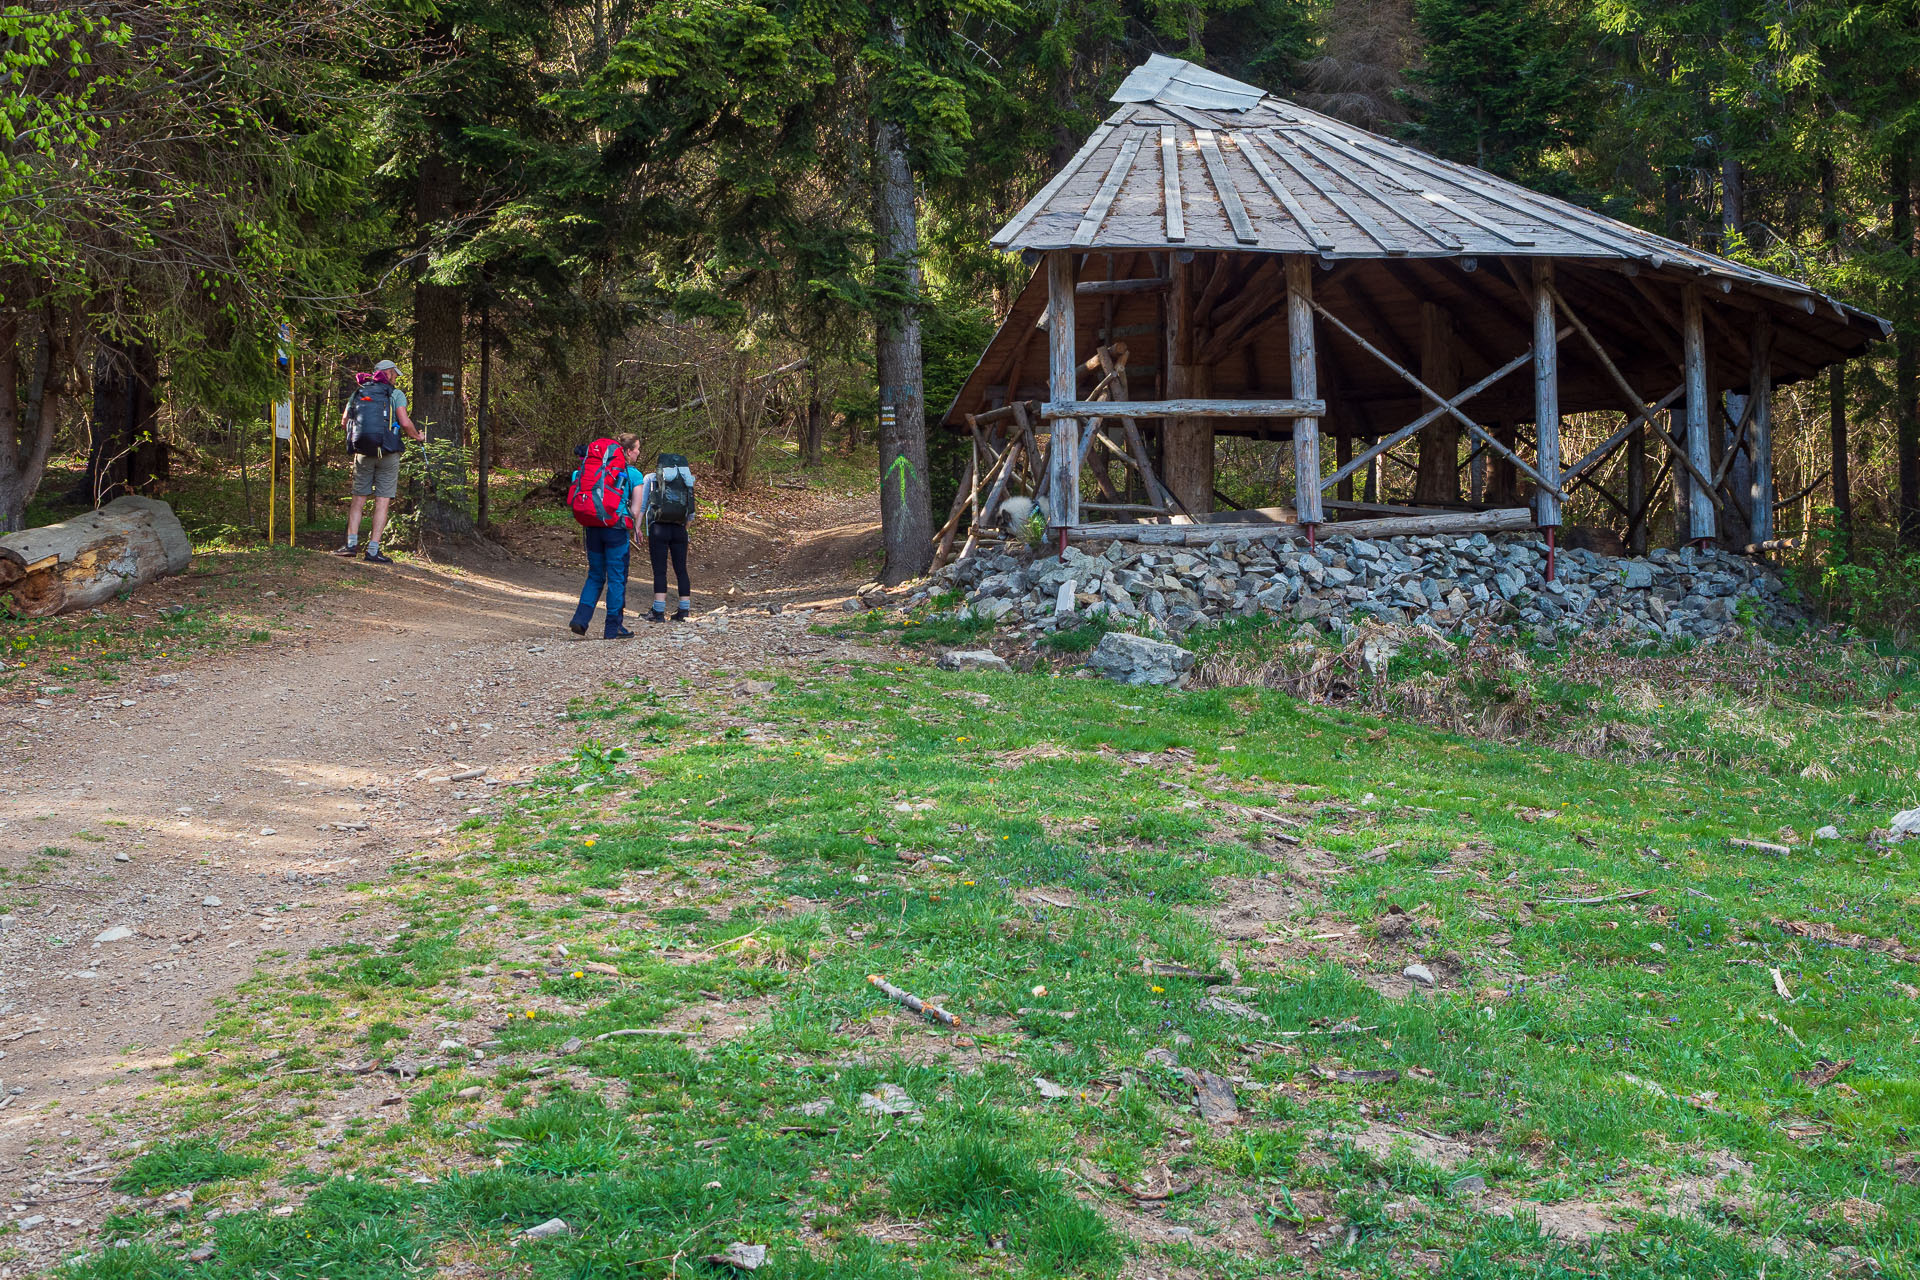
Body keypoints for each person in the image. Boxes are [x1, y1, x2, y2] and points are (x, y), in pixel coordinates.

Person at [332, 360, 423, 564]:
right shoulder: (395, 394)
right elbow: (405, 422)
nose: (396, 378)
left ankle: (351, 545)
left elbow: (344, 420)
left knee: (358, 499)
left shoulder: (359, 391)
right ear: (388, 374)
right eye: (395, 374)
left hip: (363, 452)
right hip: (389, 453)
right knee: (382, 501)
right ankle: (373, 550)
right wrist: (418, 437)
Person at [566, 435, 644, 639]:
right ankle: (613, 628)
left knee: (595, 574)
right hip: (616, 529)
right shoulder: (634, 475)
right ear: (627, 452)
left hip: (592, 526)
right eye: (637, 449)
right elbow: (635, 510)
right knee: (617, 577)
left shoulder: (584, 470)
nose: (638, 453)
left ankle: (580, 619)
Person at [635, 449, 694, 622]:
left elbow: (643, 505)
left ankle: (658, 612)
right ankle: (684, 611)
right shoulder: (686, 479)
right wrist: (685, 528)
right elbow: (691, 512)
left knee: (660, 571)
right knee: (681, 569)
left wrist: (638, 528)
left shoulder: (651, 478)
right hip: (679, 529)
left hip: (658, 528)